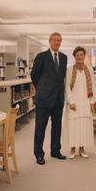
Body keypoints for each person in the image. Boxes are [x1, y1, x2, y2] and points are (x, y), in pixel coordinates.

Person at [31, 32, 67, 165]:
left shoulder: (64, 57)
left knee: (57, 126)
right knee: (40, 127)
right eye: (55, 40)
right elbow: (34, 75)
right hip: (44, 99)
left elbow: (61, 77)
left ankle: (56, 150)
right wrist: (42, 89)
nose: (57, 42)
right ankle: (39, 154)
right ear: (50, 41)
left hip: (58, 98)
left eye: (59, 40)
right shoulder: (41, 56)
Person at [63, 46, 96, 159]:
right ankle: (73, 148)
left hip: (86, 102)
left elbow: (92, 85)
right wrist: (70, 101)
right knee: (73, 126)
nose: (79, 57)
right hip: (73, 103)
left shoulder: (90, 69)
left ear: (84, 56)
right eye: (77, 55)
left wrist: (93, 101)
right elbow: (67, 87)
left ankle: (82, 148)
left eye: (81, 55)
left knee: (83, 126)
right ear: (74, 57)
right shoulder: (69, 70)